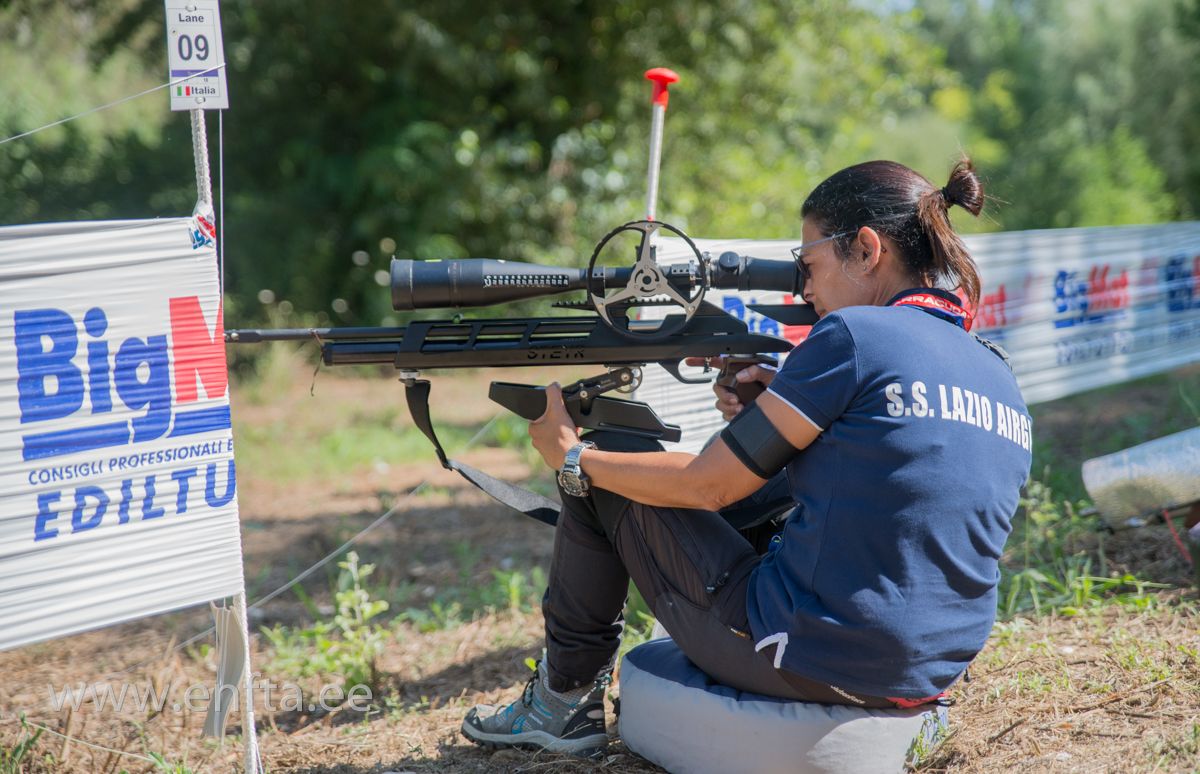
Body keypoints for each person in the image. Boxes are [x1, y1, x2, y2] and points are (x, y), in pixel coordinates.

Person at [460, 159, 1033, 757]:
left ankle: (561, 701)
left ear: (866, 249)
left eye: (808, 265)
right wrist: (774, 409)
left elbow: (710, 487)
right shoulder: (995, 367)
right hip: (928, 670)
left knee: (615, 457)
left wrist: (573, 456)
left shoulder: (855, 335)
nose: (804, 290)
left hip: (815, 655)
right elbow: (885, 478)